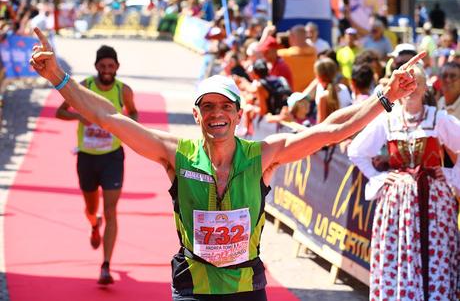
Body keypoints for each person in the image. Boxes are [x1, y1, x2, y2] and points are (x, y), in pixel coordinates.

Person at [30, 27, 424, 301]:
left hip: (245, 289)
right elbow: (107, 117)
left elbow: (331, 130)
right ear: (197, 116)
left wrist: (384, 98)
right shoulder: (175, 154)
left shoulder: (263, 155)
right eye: (208, 107)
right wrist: (58, 77)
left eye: (225, 106)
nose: (216, 113)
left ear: (238, 114)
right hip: (191, 287)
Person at [348, 65, 460, 300]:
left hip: (435, 202)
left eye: (416, 82)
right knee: (399, 251)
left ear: (425, 86)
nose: (411, 89)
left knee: (436, 253)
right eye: (405, 83)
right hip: (398, 204)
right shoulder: (386, 120)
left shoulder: (437, 119)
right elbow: (356, 150)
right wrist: (378, 176)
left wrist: (450, 174)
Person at [55, 45, 138, 285]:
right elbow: (59, 113)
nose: (107, 70)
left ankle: (106, 265)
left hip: (112, 157)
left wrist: (121, 124)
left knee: (111, 210)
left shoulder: (124, 91)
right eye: (102, 66)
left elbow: (134, 114)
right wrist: (80, 116)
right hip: (87, 157)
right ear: (96, 67)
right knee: (91, 209)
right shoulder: (84, 87)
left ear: (117, 67)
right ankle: (94, 224)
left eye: (111, 66)